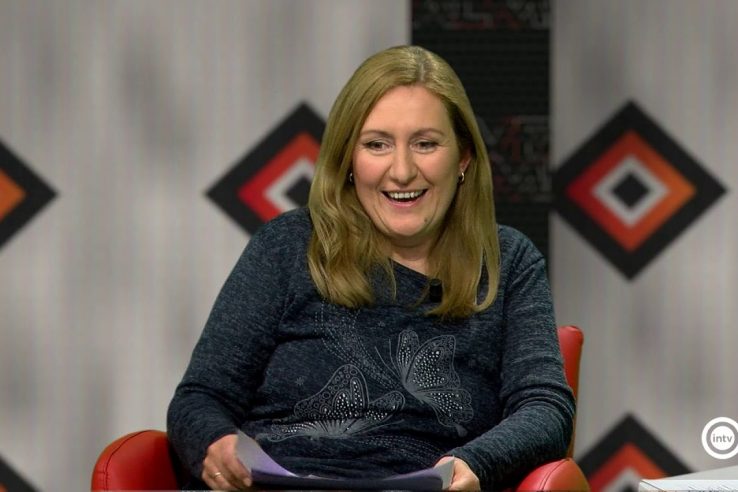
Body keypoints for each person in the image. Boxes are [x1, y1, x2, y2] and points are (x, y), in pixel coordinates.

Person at [167, 45, 575, 491]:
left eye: (425, 144)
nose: (401, 171)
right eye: (377, 144)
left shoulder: (507, 261)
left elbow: (545, 410)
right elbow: (200, 398)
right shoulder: (287, 246)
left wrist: (476, 462)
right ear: (348, 160)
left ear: (462, 158)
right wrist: (216, 443)